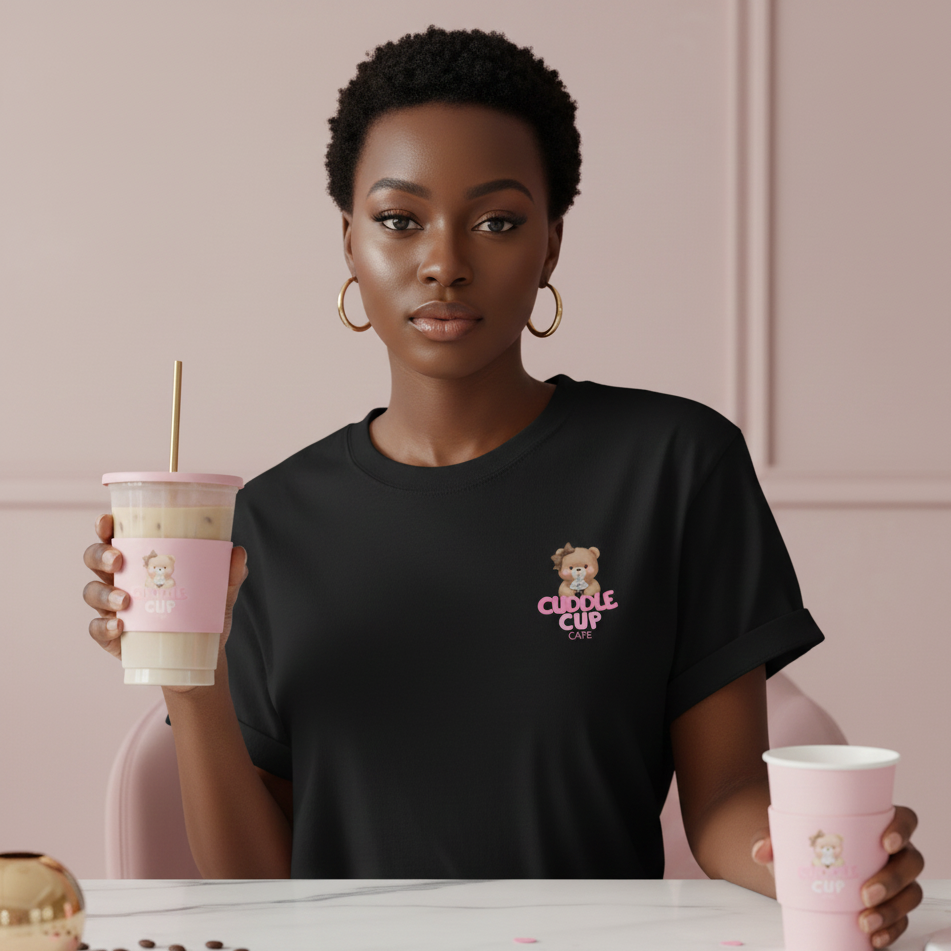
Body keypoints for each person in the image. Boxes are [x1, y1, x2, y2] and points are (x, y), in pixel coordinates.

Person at [83, 24, 924, 947]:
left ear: (551, 244)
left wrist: (821, 860)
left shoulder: (673, 465)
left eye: (496, 220)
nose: (444, 261)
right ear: (350, 243)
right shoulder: (268, 523)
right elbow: (256, 883)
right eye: (401, 220)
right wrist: (192, 680)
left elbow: (721, 793)